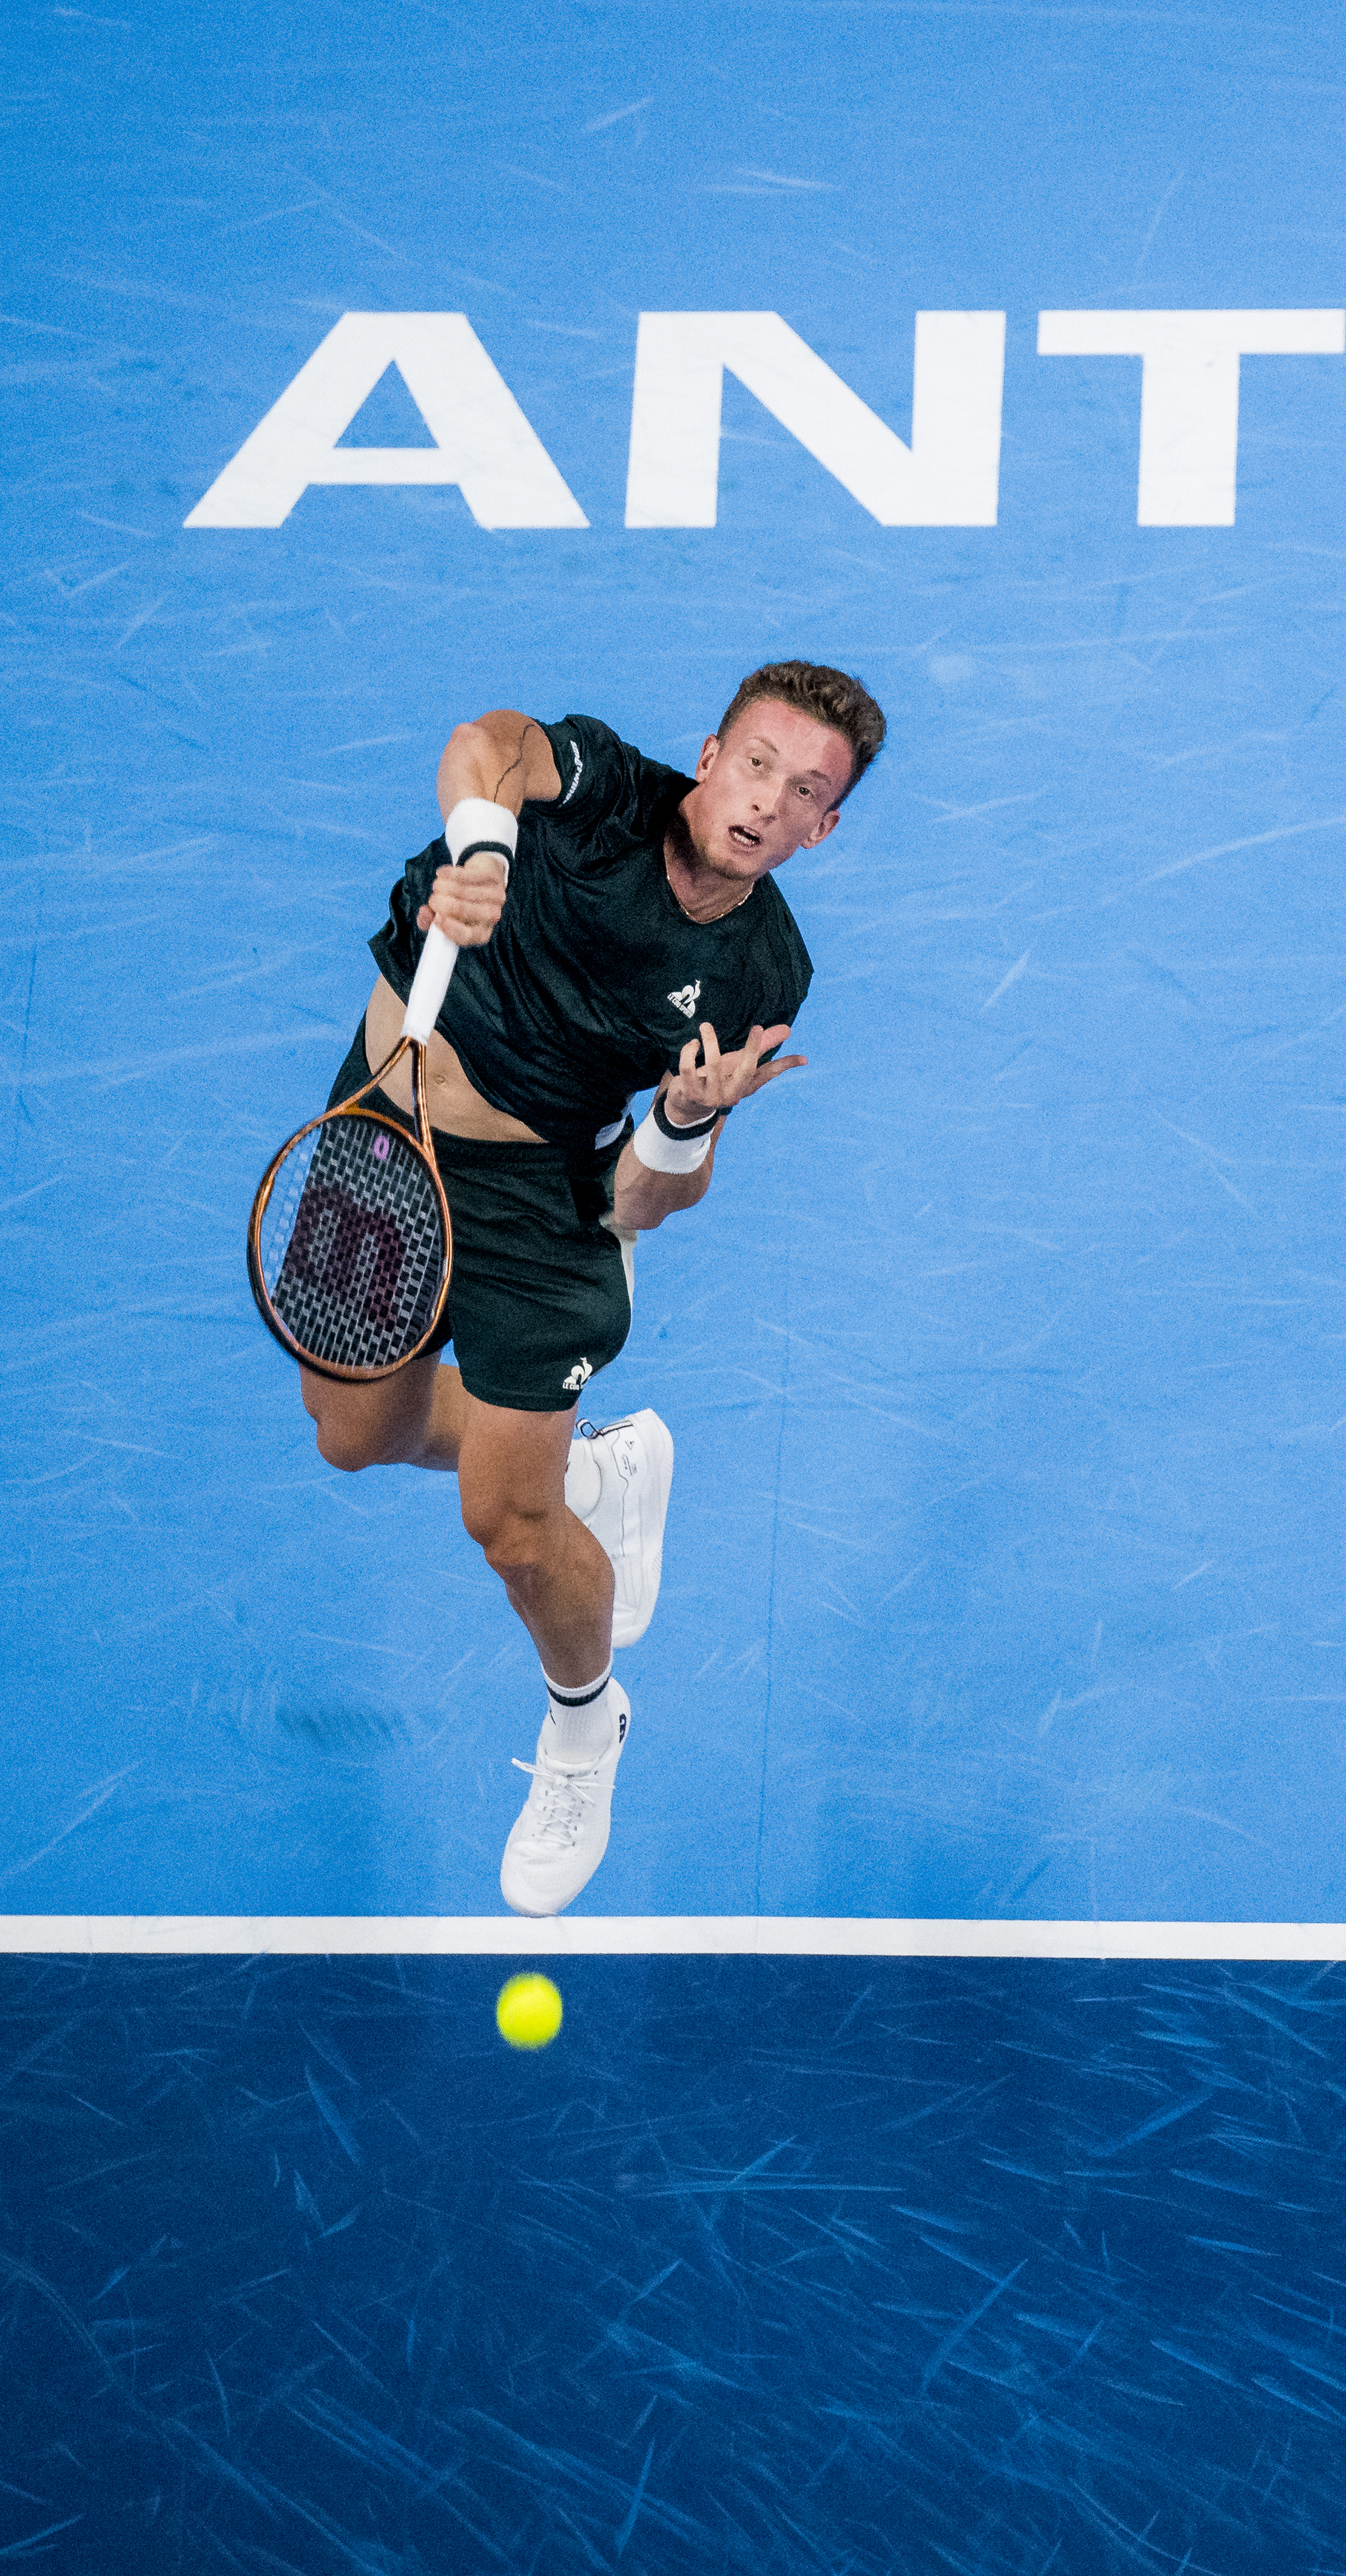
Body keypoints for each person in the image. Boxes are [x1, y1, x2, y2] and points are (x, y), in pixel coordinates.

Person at [294, 660, 880, 1913]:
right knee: (355, 1434)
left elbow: (637, 1205)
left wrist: (676, 1122)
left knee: (506, 1522)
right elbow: (485, 739)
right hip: (381, 1131)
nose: (770, 800)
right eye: (759, 763)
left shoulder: (757, 977)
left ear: (823, 829)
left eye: (807, 792)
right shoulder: (602, 792)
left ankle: (581, 1723)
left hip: (533, 1202)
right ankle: (603, 1468)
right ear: (711, 754)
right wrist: (485, 849)